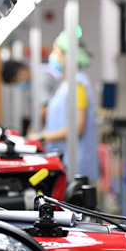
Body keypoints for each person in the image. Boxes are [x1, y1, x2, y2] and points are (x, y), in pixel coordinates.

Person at [30, 31, 99, 182]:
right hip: (64, 160)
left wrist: (43, 136)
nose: (53, 55)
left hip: (75, 165)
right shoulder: (65, 84)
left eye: (56, 50)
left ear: (68, 55)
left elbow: (78, 127)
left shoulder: (78, 85)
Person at [0, 59, 61, 134]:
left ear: (21, 71)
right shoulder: (36, 76)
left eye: (16, 81)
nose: (18, 84)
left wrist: (36, 130)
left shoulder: (39, 81)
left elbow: (44, 110)